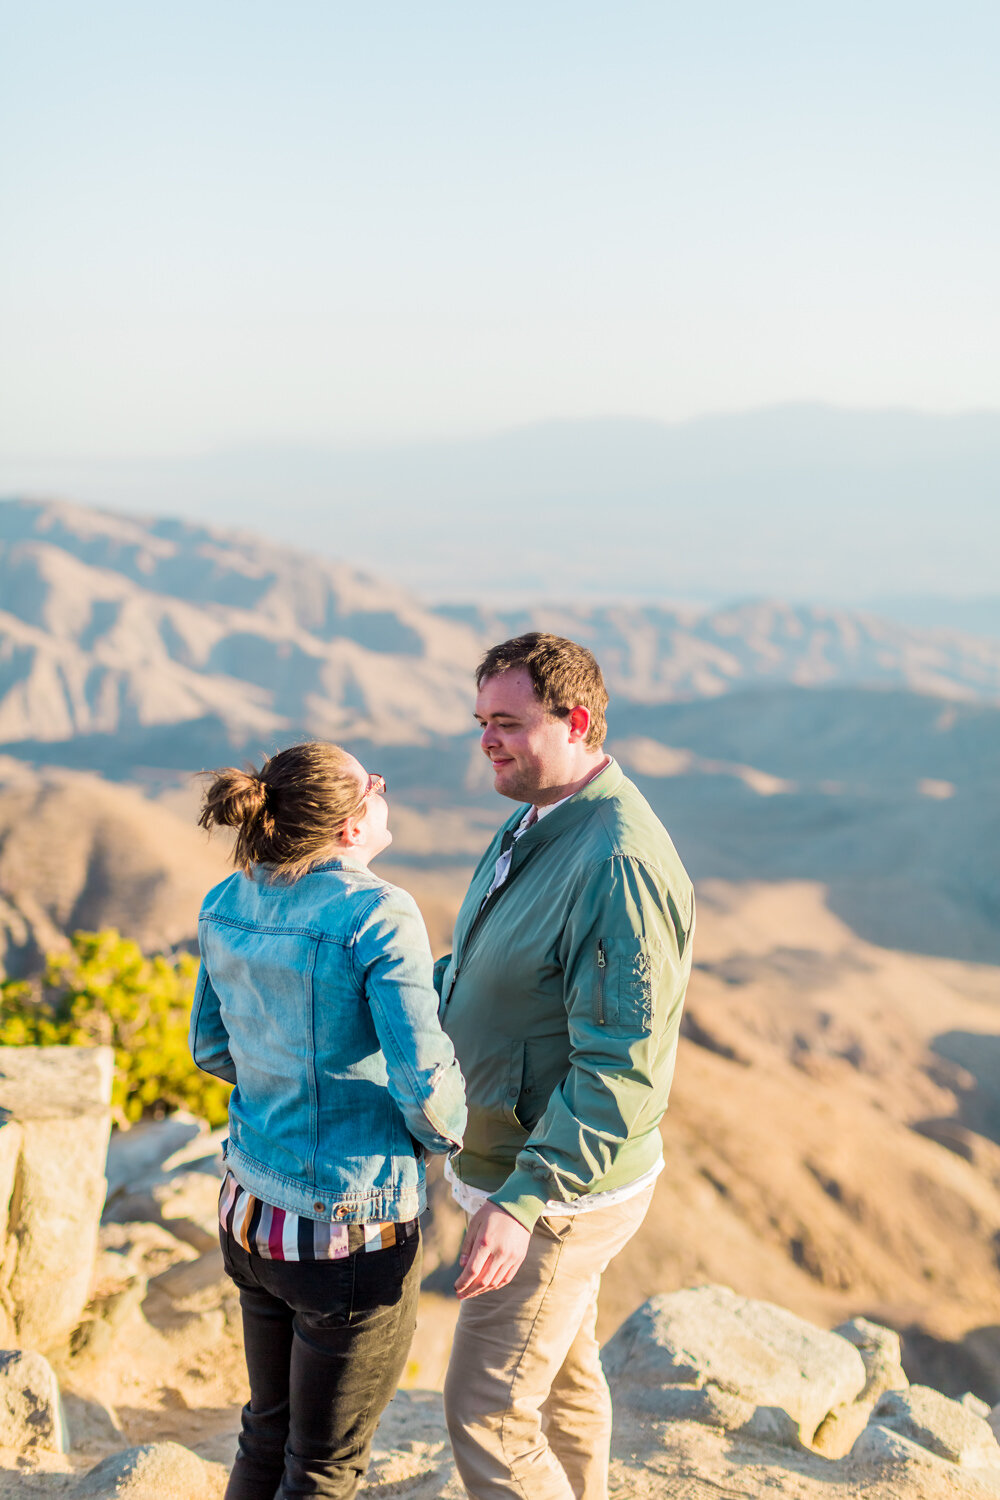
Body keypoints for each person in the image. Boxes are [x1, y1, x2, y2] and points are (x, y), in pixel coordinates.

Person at [437, 633, 694, 1500]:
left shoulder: (616, 859)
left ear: (577, 721)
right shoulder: (537, 817)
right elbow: (486, 969)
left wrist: (525, 1198)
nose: (488, 742)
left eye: (508, 723)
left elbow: (623, 1068)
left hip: (555, 1187)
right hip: (521, 1164)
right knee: (561, 1382)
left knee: (486, 1409)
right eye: (481, 722)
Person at [190, 741, 466, 1500]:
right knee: (324, 1466)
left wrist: (282, 1094)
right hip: (347, 1228)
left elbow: (210, 1046)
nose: (383, 787)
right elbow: (426, 1090)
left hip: (249, 1210)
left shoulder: (225, 900)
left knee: (266, 1432)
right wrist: (459, 1138)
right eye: (370, 783)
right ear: (349, 828)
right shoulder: (378, 912)